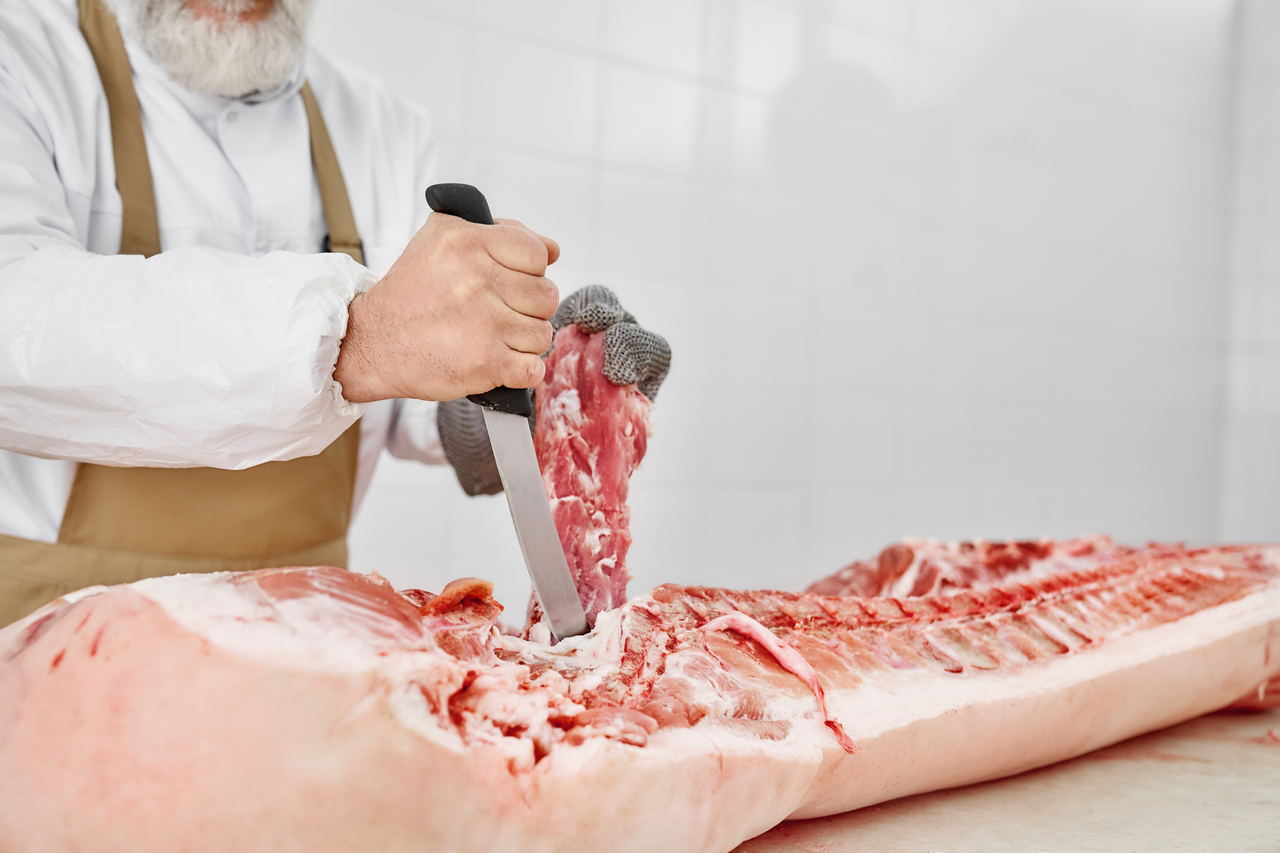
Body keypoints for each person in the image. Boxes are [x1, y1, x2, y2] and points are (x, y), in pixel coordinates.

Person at [0, 0, 670, 626]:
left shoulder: (379, 123)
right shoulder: (24, 54)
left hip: (307, 640)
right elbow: (17, 317)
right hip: (66, 632)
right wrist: (360, 336)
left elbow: (412, 387)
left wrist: (530, 382)